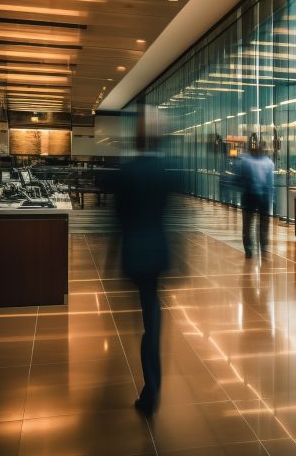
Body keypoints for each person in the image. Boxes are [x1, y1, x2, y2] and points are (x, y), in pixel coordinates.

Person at [113, 148, 172, 417]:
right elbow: (170, 212)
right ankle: (152, 387)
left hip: (135, 253)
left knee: (147, 320)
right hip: (157, 252)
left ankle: (151, 389)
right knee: (151, 317)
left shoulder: (127, 171)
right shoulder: (163, 171)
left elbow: (118, 217)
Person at [237, 142, 275, 258]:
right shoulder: (269, 162)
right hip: (263, 197)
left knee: (248, 224)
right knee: (263, 224)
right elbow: (270, 183)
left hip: (250, 196)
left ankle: (249, 249)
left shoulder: (246, 161)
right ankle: (263, 248)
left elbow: (242, 179)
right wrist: (272, 197)